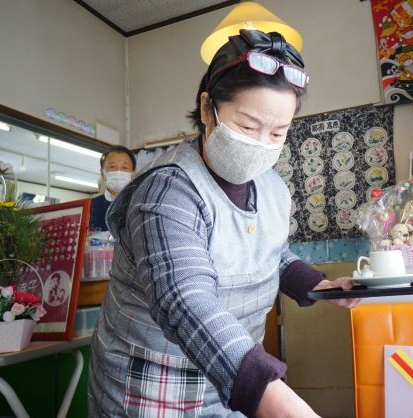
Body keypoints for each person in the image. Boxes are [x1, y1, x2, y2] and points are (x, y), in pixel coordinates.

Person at [88, 29, 360, 418]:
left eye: (277, 133)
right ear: (206, 109)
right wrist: (275, 399)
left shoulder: (270, 187)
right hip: (150, 388)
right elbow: (184, 299)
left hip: (227, 378)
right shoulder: (167, 190)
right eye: (248, 127)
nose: (262, 142)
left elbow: (271, 253)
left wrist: (320, 286)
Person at [89, 145, 136, 231]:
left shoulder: (141, 204)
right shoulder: (90, 206)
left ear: (132, 174)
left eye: (124, 167)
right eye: (112, 166)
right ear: (102, 173)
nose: (118, 171)